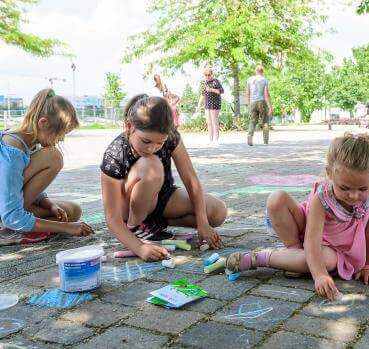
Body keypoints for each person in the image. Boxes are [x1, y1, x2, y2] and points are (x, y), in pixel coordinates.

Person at [225, 133, 369, 300]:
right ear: (329, 173)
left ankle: (258, 258)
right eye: (344, 188)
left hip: (336, 249)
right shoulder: (322, 198)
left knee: (325, 260)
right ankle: (293, 253)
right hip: (311, 235)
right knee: (276, 199)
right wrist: (320, 275)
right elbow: (312, 240)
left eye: (362, 189)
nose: (353, 196)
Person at [101, 94, 227, 261]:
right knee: (151, 165)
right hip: (130, 207)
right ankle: (135, 227)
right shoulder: (114, 154)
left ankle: (156, 224)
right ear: (129, 126)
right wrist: (140, 248)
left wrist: (203, 223)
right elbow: (111, 217)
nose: (152, 148)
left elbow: (191, 180)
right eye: (145, 141)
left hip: (161, 197)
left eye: (160, 143)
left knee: (217, 212)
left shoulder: (171, 136)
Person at [0, 89, 93, 245]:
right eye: (60, 134)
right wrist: (67, 228)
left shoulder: (31, 143)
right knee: (54, 157)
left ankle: (17, 227)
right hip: (7, 211)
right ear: (43, 123)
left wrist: (49, 204)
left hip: (12, 204)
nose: (60, 139)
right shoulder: (12, 151)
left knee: (73, 211)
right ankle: (11, 227)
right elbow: (10, 206)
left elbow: (24, 185)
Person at [195, 66, 224, 146]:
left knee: (214, 121)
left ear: (211, 74)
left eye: (209, 75)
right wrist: (198, 105)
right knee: (209, 122)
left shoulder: (216, 81)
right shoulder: (204, 83)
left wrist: (211, 90)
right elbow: (202, 95)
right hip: (207, 104)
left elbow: (221, 91)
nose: (207, 76)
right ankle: (210, 140)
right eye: (206, 75)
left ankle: (216, 140)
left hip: (215, 103)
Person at [247, 64, 272, 146]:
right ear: (263, 72)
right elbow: (266, 94)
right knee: (265, 120)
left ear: (255, 71)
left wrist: (249, 104)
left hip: (253, 102)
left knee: (253, 121)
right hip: (262, 102)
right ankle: (265, 141)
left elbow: (248, 93)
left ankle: (250, 134)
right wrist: (270, 106)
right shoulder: (264, 80)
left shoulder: (250, 80)